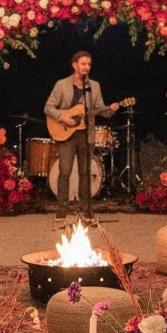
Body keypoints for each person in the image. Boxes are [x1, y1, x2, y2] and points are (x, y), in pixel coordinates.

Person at [43, 50, 119, 219]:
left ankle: (86, 208)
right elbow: (48, 107)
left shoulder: (94, 86)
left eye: (89, 64)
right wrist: (64, 117)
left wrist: (111, 109)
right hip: (66, 134)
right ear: (75, 65)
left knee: (85, 171)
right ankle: (62, 208)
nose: (86, 67)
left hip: (86, 133)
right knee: (65, 171)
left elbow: (100, 109)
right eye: (83, 64)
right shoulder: (62, 84)